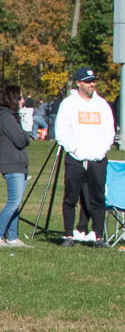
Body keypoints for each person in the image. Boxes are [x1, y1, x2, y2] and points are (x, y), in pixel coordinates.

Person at [54, 67, 114, 245]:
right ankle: (69, 235)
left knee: (98, 198)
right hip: (76, 158)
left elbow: (109, 131)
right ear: (79, 83)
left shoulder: (102, 105)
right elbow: (61, 131)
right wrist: (74, 150)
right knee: (70, 197)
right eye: (88, 82)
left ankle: (98, 236)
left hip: (97, 159)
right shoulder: (68, 104)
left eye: (93, 81)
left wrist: (102, 150)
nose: (92, 84)